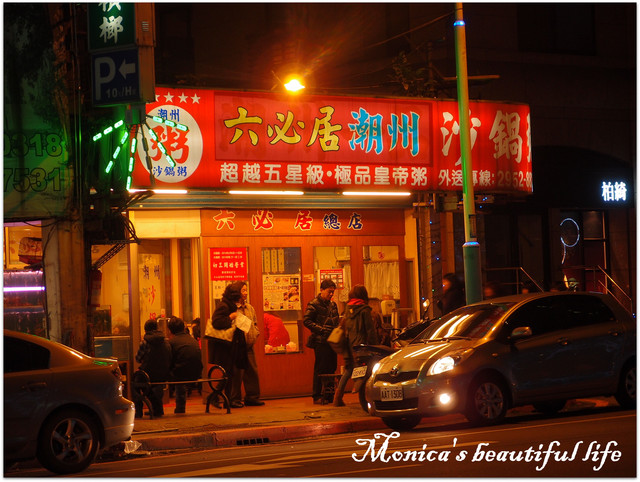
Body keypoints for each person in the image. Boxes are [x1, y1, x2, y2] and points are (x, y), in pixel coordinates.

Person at [333, 285, 379, 407]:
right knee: (368, 369)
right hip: (362, 346)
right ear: (364, 295)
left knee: (349, 370)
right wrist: (376, 346)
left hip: (349, 345)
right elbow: (370, 330)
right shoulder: (365, 310)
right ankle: (367, 397)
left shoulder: (348, 309)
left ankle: (337, 398)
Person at [207, 283, 249, 408]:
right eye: (242, 291)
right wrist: (230, 317)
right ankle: (218, 398)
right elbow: (217, 322)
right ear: (235, 294)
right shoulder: (224, 306)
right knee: (228, 373)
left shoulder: (230, 305)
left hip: (229, 345)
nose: (244, 293)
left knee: (229, 373)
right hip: (224, 346)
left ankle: (222, 399)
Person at [303, 278, 340, 404]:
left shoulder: (333, 305)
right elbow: (306, 321)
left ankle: (329, 395)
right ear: (321, 290)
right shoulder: (313, 304)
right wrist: (322, 330)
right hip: (320, 341)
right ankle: (317, 395)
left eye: (333, 292)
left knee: (332, 367)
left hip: (332, 341)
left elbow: (336, 321)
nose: (331, 294)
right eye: (329, 291)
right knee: (321, 368)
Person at [231, 280, 265, 407]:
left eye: (246, 290)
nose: (246, 293)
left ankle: (252, 397)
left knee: (252, 372)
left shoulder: (250, 308)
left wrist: (255, 332)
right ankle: (234, 399)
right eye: (243, 290)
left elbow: (254, 323)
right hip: (237, 347)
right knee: (237, 373)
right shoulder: (232, 308)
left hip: (249, 346)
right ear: (237, 292)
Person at [134, 319, 172, 418]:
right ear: (157, 328)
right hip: (163, 374)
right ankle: (157, 409)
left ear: (146, 330)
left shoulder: (145, 343)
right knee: (154, 387)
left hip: (148, 374)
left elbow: (138, 359)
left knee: (136, 383)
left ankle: (138, 412)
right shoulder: (165, 341)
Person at [167, 316, 203, 414]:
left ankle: (179, 408)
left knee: (172, 374)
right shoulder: (192, 340)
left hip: (181, 374)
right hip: (197, 373)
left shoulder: (172, 342)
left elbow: (169, 360)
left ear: (170, 330)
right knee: (180, 370)